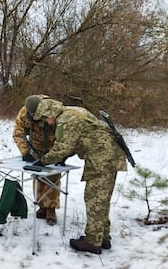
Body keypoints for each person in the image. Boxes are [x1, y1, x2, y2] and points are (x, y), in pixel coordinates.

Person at [29, 97, 127, 254]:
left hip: (101, 159)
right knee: (102, 200)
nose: (47, 124)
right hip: (108, 155)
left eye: (45, 120)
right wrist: (63, 158)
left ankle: (93, 242)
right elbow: (79, 139)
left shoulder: (64, 120)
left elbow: (63, 147)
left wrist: (43, 161)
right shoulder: (73, 111)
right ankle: (103, 237)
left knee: (94, 199)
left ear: (47, 113)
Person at [13, 95, 61, 225]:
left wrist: (60, 153)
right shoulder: (23, 112)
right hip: (36, 147)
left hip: (53, 148)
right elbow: (18, 132)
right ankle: (42, 206)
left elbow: (64, 133)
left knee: (52, 177)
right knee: (38, 177)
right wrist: (25, 151)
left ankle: (51, 209)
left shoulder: (54, 110)